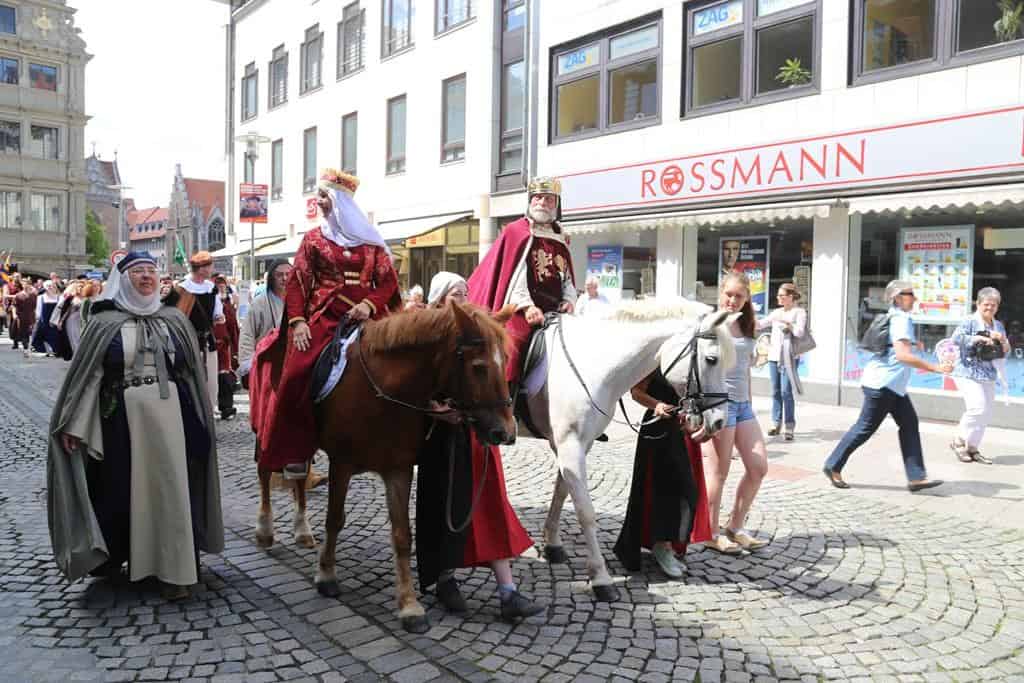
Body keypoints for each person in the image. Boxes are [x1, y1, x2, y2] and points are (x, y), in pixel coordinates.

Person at [46, 251, 223, 601]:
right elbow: (89, 376)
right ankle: (123, 559)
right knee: (121, 491)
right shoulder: (103, 322)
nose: (146, 277)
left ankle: (175, 570)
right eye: (138, 272)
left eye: (151, 272)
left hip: (173, 417)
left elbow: (188, 372)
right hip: (122, 422)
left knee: (173, 489)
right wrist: (74, 425)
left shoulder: (173, 318)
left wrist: (201, 415)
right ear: (123, 279)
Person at [250, 168, 399, 479]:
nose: (317, 201)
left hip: (369, 314)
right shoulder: (314, 239)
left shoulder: (371, 241)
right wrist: (299, 322)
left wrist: (370, 304)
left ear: (339, 200)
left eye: (323, 196)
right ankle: (295, 450)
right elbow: (296, 282)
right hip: (326, 314)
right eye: (318, 195)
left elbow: (387, 283)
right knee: (296, 372)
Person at [415, 271, 544, 621]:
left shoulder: (478, 333)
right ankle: (443, 578)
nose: (463, 298)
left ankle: (508, 592)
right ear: (440, 298)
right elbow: (415, 386)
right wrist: (435, 411)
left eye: (466, 291)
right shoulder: (426, 332)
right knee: (444, 508)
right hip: (441, 441)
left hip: (477, 437)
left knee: (491, 508)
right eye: (455, 293)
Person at [823, 281, 951, 491]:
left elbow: (896, 349)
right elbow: (902, 355)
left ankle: (916, 477)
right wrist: (935, 368)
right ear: (898, 297)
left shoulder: (894, 316)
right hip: (883, 385)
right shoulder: (901, 318)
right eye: (911, 294)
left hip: (892, 386)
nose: (915, 298)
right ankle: (832, 465)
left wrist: (912, 346)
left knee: (909, 424)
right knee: (864, 428)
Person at [467, 176, 576, 390]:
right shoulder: (516, 231)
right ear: (530, 200)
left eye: (548, 199)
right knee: (515, 345)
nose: (542, 203)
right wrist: (527, 307)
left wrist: (570, 299)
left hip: (555, 310)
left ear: (556, 204)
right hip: (522, 309)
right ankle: (507, 400)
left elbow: (567, 276)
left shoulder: (561, 237)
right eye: (537, 198)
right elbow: (516, 274)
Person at [613, 370, 713, 579]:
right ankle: (662, 545)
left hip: (683, 430)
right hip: (659, 430)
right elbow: (636, 392)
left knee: (687, 492)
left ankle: (670, 544)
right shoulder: (656, 361)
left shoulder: (692, 362)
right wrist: (656, 405)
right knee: (662, 491)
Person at [701, 273, 770, 555]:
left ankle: (735, 526)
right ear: (720, 294)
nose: (732, 300)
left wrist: (750, 404)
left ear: (747, 299)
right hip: (719, 404)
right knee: (719, 472)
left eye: (738, 296)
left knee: (758, 467)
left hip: (742, 405)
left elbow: (745, 370)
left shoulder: (747, 324)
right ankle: (711, 532)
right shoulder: (712, 324)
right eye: (728, 294)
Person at [950, 287, 1010, 465]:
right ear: (978, 304)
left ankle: (973, 447)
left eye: (993, 305)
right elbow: (956, 339)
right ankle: (958, 440)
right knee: (977, 408)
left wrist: (1003, 341)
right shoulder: (969, 321)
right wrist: (979, 338)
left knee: (986, 413)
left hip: (989, 372)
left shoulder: (998, 325)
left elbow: (1005, 352)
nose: (990, 308)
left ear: (997, 307)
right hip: (967, 371)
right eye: (986, 304)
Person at [163, 252, 224, 415]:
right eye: (210, 266)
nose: (212, 269)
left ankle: (209, 412)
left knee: (211, 381)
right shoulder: (181, 289)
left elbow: (217, 309)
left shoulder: (211, 288)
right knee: (191, 379)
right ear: (202, 268)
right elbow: (169, 315)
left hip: (208, 341)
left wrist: (219, 315)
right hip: (186, 342)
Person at [757, 283, 808, 440]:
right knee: (775, 391)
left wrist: (788, 324)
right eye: (778, 295)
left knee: (786, 392)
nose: (778, 298)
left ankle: (790, 426)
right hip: (773, 356)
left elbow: (800, 332)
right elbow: (761, 324)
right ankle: (776, 423)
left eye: (782, 295)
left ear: (791, 296)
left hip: (790, 357)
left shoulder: (799, 312)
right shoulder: (776, 312)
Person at [213, 274, 239, 420]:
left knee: (225, 378)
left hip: (226, 347)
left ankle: (226, 407)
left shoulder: (228, 304)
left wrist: (236, 346)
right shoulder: (210, 302)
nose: (221, 287)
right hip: (211, 345)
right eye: (218, 285)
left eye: (223, 285)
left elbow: (233, 326)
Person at [31, 280, 62, 356]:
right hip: (44, 320)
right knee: (43, 335)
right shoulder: (40, 297)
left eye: (51, 286)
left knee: (55, 335)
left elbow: (61, 310)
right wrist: (37, 320)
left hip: (55, 320)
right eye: (48, 286)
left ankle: (55, 350)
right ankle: (48, 350)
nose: (50, 287)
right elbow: (38, 309)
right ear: (45, 288)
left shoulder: (59, 297)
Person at [12, 277, 37, 354]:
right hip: (21, 316)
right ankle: (25, 347)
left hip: (31, 316)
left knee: (30, 332)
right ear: (22, 285)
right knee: (23, 333)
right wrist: (14, 315)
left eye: (27, 284)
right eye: (24, 284)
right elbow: (14, 306)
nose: (26, 286)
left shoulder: (34, 295)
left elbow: (36, 306)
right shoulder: (18, 295)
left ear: (30, 285)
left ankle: (28, 346)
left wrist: (36, 315)